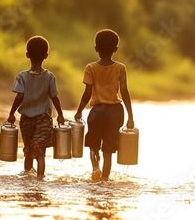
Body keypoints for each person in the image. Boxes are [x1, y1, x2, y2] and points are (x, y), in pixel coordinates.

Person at [75, 29, 134, 181]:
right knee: (108, 149)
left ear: (96, 48)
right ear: (116, 49)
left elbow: (87, 93)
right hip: (115, 112)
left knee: (93, 145)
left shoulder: (90, 68)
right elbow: (125, 92)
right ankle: (105, 179)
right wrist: (130, 117)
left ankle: (95, 168)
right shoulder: (120, 68)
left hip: (97, 111)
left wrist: (79, 111)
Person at [7, 35, 65, 179]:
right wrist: (61, 115)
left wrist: (11, 113)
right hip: (44, 119)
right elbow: (54, 97)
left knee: (29, 150)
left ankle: (28, 179)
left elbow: (19, 96)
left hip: (26, 119)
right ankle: (40, 180)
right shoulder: (50, 77)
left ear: (27, 54)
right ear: (46, 55)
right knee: (39, 151)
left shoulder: (22, 77)